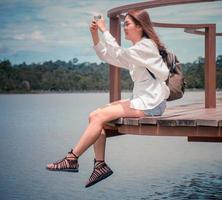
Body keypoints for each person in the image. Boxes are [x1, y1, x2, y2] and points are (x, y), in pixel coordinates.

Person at [46, 9, 170, 188]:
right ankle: (100, 166)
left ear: (140, 27)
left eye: (127, 24)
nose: (124, 27)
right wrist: (94, 34)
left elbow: (118, 52)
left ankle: (72, 159)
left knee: (98, 117)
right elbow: (109, 55)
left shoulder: (146, 46)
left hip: (152, 104)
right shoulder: (137, 51)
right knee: (95, 116)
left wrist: (105, 30)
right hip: (144, 100)